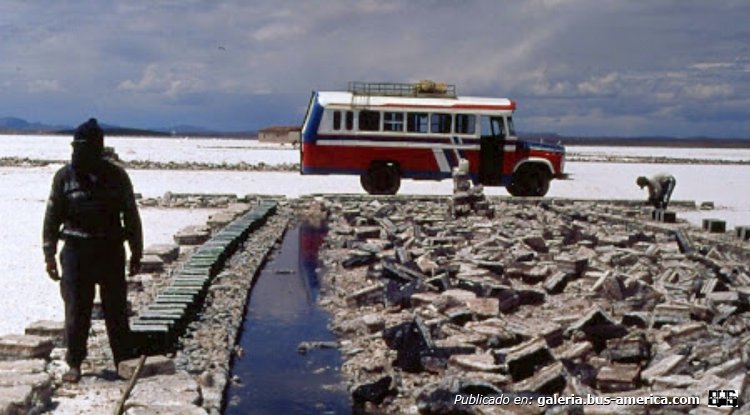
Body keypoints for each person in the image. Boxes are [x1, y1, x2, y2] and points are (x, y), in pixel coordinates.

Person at [43, 118, 142, 383]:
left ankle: (123, 358)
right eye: (75, 147)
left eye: (83, 148)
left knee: (116, 309)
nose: (77, 153)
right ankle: (75, 362)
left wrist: (136, 252)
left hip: (110, 250)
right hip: (76, 252)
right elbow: (52, 216)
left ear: (97, 148)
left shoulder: (117, 177)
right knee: (77, 309)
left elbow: (131, 216)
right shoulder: (64, 177)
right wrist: (49, 254)